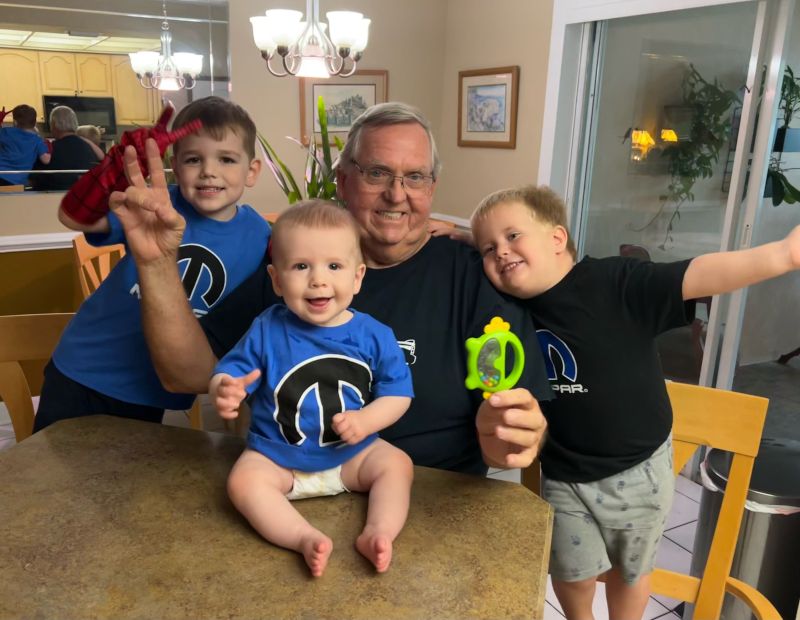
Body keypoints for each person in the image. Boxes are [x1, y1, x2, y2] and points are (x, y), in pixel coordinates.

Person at [108, 101, 550, 479]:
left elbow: (502, 441)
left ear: (431, 188)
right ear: (341, 180)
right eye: (378, 173)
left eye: (415, 177)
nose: (397, 195)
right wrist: (156, 261)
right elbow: (186, 374)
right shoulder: (298, 264)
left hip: (428, 492)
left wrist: (510, 437)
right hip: (296, 487)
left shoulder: (474, 275)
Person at [469, 184, 800, 620]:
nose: (501, 252)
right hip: (565, 472)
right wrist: (458, 238)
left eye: (513, 236)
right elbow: (471, 262)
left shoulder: (616, 282)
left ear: (556, 238)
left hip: (640, 470)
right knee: (569, 571)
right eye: (489, 248)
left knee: (631, 571)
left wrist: (783, 254)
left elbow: (698, 273)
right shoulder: (507, 306)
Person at [34, 97, 268, 432]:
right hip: (84, 369)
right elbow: (73, 217)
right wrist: (112, 172)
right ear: (174, 164)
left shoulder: (260, 236)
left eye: (227, 159)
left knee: (130, 478)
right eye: (193, 159)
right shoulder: (156, 202)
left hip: (154, 388)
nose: (209, 171)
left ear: (252, 171)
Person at [211, 200, 414, 577]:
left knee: (397, 465)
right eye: (301, 266)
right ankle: (302, 537)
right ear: (276, 279)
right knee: (242, 482)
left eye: (334, 266)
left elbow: (398, 393)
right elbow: (230, 371)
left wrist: (368, 420)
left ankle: (378, 532)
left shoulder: (374, 335)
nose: (318, 279)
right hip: (277, 458)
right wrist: (225, 387)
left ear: (357, 276)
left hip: (352, 454)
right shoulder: (267, 329)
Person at [30, 105, 102, 191]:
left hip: (51, 200)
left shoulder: (48, 150)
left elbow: (32, 179)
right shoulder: (90, 149)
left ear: (54, 124)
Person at [0, 104, 50, 187]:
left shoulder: (6, 132)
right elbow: (46, 160)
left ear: (15, 122)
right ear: (35, 123)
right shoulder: (37, 140)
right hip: (16, 182)